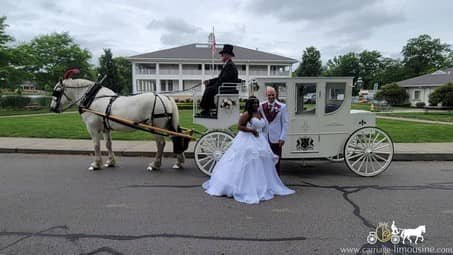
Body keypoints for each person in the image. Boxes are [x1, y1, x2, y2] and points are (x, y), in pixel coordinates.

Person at [202, 96, 295, 204]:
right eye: (253, 103)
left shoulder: (259, 113)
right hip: (247, 140)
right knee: (247, 162)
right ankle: (243, 186)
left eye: (257, 102)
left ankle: (260, 184)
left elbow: (263, 125)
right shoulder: (247, 114)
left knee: (261, 163)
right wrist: (250, 130)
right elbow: (239, 126)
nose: (256, 104)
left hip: (260, 140)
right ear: (249, 104)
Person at [199, 44, 239, 115]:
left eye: (223, 54)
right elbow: (220, 78)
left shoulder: (230, 66)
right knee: (209, 87)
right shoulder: (227, 65)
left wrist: (214, 85)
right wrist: (209, 81)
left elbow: (223, 79)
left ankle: (207, 109)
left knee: (209, 89)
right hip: (224, 86)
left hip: (227, 88)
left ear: (227, 55)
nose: (221, 56)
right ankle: (207, 108)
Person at [259, 86, 288, 175]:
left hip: (277, 139)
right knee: (265, 161)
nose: (271, 97)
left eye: (273, 95)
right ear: (266, 95)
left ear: (276, 95)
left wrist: (282, 138)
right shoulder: (261, 106)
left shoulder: (282, 107)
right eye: (269, 95)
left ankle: (277, 181)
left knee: (276, 162)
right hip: (264, 138)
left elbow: (285, 123)